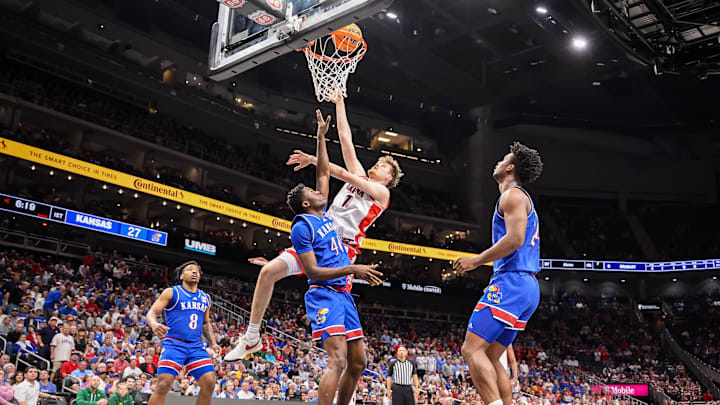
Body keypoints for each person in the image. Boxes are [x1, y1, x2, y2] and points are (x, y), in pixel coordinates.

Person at [225, 96, 403, 361]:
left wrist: (315, 159)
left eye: (382, 166)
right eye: (377, 163)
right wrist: (340, 103)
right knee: (268, 272)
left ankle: (350, 372)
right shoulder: (363, 177)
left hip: (342, 249)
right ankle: (251, 337)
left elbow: (342, 174)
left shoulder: (381, 193)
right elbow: (345, 140)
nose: (376, 165)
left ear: (388, 177)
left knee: (338, 316)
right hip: (323, 234)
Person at [283, 110, 383, 405]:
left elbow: (324, 172)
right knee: (337, 362)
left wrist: (320, 137)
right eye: (312, 191)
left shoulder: (323, 214)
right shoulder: (302, 226)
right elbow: (312, 273)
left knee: (358, 363)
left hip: (343, 294)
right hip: (324, 293)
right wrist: (354, 268)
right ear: (305, 203)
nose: (318, 190)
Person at [452, 142, 544, 405]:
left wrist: (476, 261)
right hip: (524, 285)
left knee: (471, 350)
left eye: (503, 159)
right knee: (492, 356)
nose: (498, 162)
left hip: (513, 281)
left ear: (510, 167)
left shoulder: (513, 196)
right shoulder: (516, 198)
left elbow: (515, 240)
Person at [145, 261, 221, 405]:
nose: (194, 272)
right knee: (163, 385)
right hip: (174, 344)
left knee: (210, 382)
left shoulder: (205, 297)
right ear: (181, 275)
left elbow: (205, 323)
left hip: (196, 346)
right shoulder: (172, 292)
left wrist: (213, 342)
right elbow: (152, 312)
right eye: (190, 269)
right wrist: (154, 323)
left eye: (197, 271)